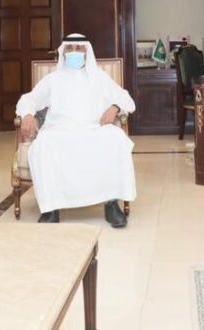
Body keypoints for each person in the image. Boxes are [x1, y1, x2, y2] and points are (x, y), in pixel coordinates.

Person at [16, 34, 136, 227]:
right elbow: (28, 99)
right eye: (69, 49)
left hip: (93, 128)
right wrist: (28, 114)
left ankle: (111, 205)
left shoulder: (99, 77)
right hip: (59, 130)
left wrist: (115, 107)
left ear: (86, 52)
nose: (74, 52)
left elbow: (126, 99)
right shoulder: (53, 79)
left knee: (115, 138)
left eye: (78, 48)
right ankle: (50, 209)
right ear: (63, 52)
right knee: (43, 144)